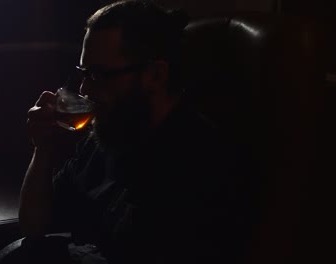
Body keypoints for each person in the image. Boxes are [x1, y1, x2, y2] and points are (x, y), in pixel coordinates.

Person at [17, 1, 260, 263]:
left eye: (99, 74)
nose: (85, 88)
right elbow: (35, 227)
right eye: (84, 73)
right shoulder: (110, 134)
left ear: (155, 75)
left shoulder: (201, 162)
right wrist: (42, 150)